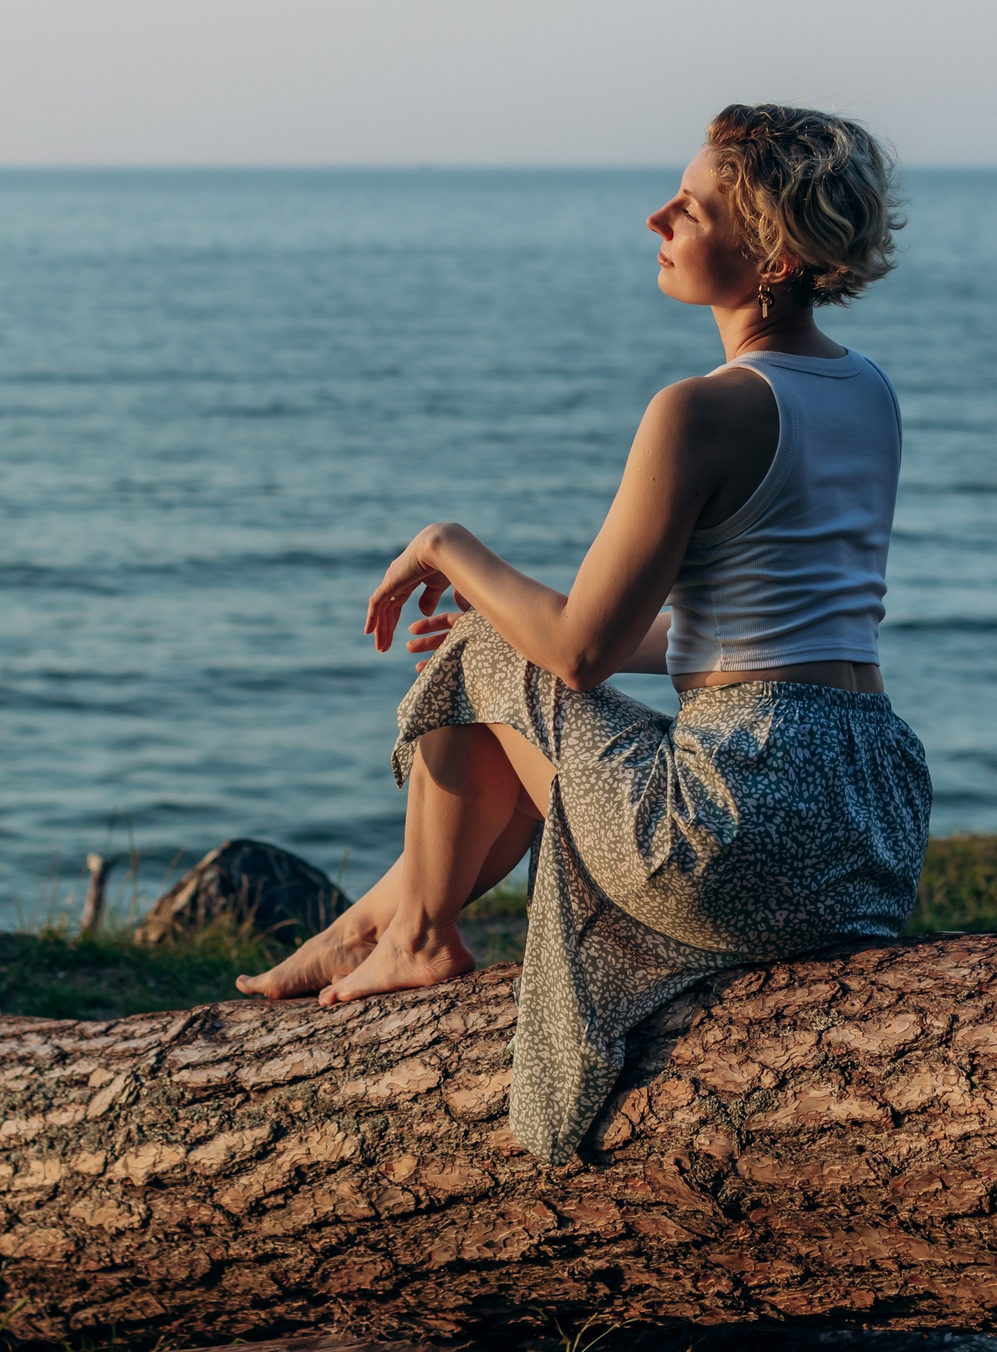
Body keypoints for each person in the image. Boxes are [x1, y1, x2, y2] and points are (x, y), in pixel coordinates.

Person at [236, 103, 931, 1165]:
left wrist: (446, 545)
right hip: (870, 823)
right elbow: (750, 630)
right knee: (497, 644)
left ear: (777, 255)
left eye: (691, 207)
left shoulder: (700, 411)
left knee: (485, 652)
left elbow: (576, 654)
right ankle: (377, 921)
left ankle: (416, 935)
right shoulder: (867, 390)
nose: (657, 216)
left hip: (739, 831)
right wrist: (508, 620)